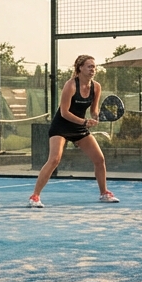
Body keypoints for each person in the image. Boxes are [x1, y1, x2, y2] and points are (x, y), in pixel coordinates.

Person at [30, 55, 119, 207]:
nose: (93, 70)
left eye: (94, 67)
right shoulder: (70, 85)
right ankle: (35, 197)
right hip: (61, 126)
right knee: (54, 159)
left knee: (99, 159)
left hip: (79, 127)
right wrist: (84, 122)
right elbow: (64, 112)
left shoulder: (96, 87)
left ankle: (104, 193)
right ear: (80, 68)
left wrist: (96, 116)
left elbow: (93, 109)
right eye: (89, 66)